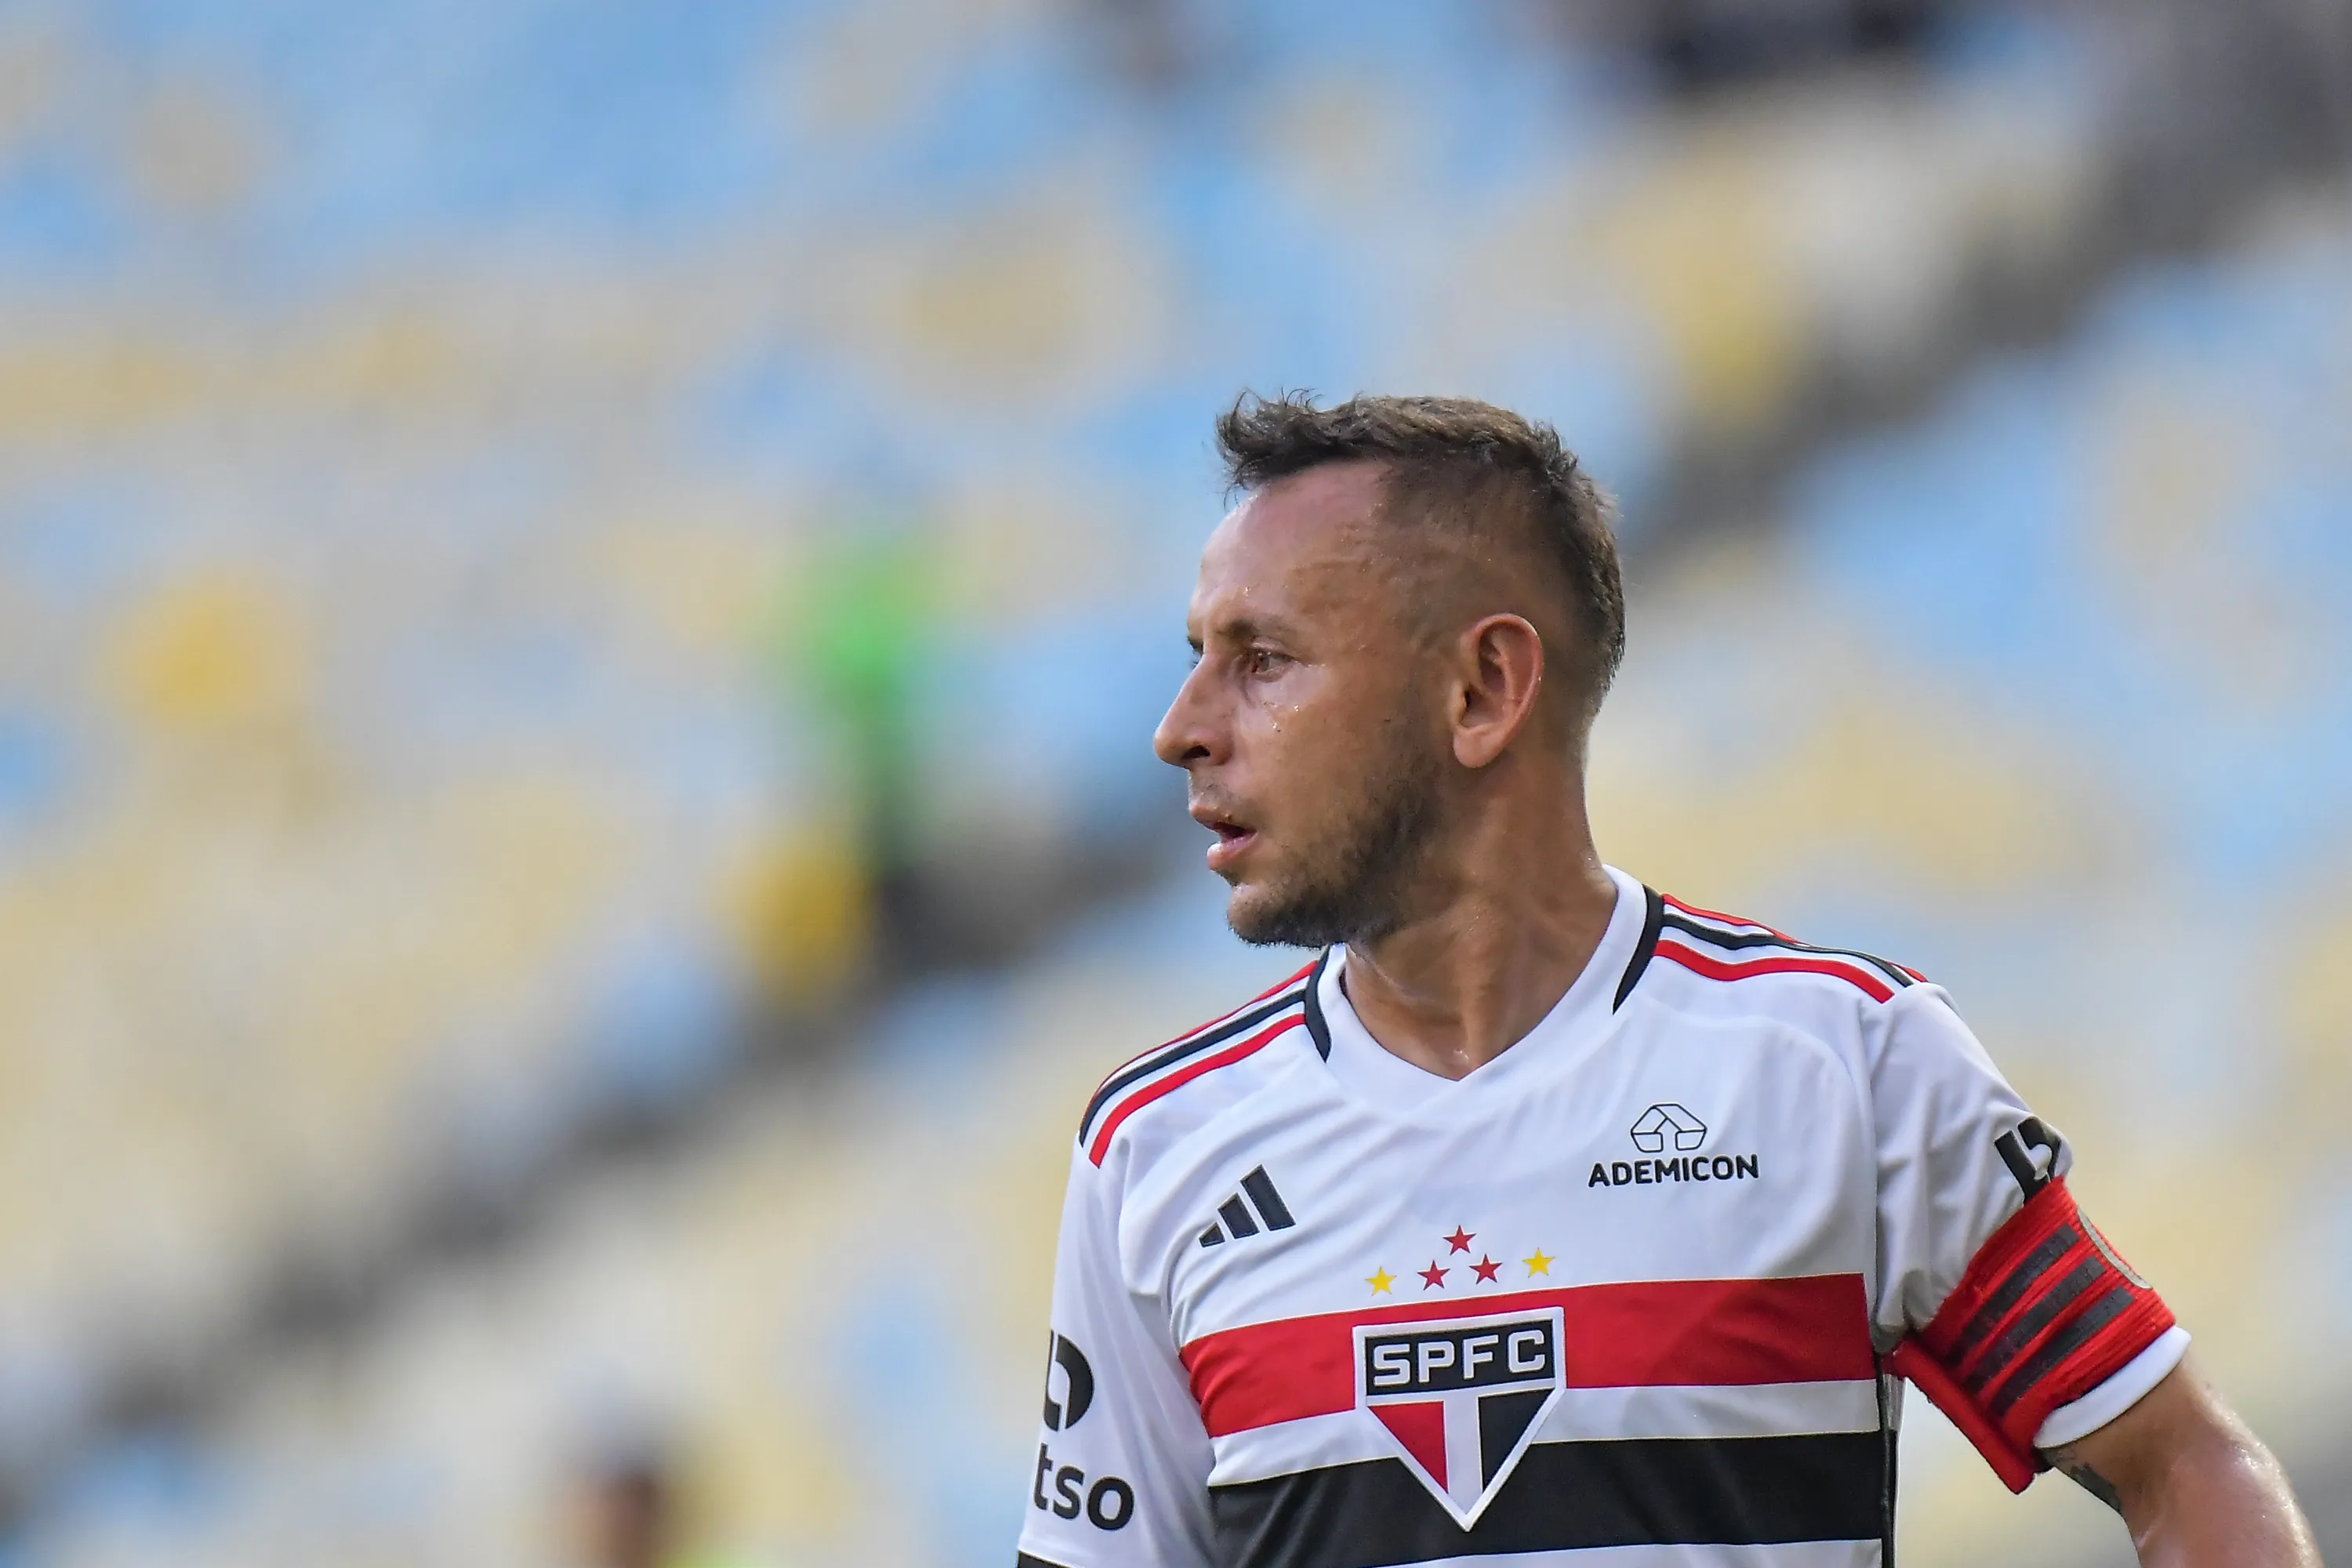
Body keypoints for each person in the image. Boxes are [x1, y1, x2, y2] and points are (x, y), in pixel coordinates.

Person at [1014, 394, 2320, 1568]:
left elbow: (2185, 1467)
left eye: (1264, 660)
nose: (1180, 725)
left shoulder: (1844, 1069)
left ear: (1481, 689)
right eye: (1198, 654)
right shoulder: (1155, 1154)